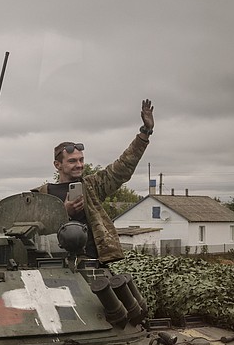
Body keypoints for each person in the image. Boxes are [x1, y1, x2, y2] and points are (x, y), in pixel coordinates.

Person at [33, 99, 154, 265]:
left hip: (93, 262)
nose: (79, 165)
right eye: (72, 161)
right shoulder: (42, 195)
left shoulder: (92, 186)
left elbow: (122, 167)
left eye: (81, 160)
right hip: (54, 265)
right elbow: (33, 230)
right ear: (57, 165)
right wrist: (64, 211)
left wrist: (145, 132)